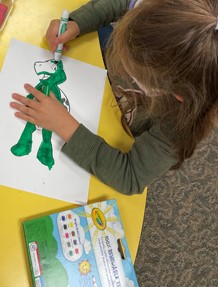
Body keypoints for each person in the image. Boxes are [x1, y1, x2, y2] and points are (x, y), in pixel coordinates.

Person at [10, 0, 218, 195]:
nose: (120, 59)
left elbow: (130, 177)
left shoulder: (180, 125)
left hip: (106, 133)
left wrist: (63, 125)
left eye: (133, 70)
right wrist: (77, 22)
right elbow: (121, 2)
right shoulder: (169, 8)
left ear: (177, 94)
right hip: (91, 73)